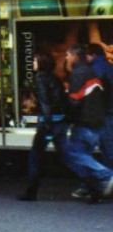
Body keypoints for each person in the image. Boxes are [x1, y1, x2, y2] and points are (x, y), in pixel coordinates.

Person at [59, 44, 113, 202]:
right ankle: (93, 188)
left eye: (68, 55)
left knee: (75, 152)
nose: (66, 58)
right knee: (87, 153)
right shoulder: (97, 70)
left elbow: (75, 100)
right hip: (99, 118)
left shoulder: (83, 72)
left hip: (89, 119)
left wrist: (67, 117)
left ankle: (106, 176)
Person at [18, 52, 68, 201]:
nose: (32, 63)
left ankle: (31, 191)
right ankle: (93, 185)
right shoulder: (54, 78)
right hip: (60, 120)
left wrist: (46, 123)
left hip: (49, 122)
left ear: (41, 63)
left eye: (35, 61)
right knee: (68, 156)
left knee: (35, 156)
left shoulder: (40, 79)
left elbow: (45, 102)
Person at [84, 42, 113, 169]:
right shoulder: (109, 66)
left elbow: (94, 92)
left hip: (106, 112)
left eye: (86, 56)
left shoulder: (96, 68)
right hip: (110, 111)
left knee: (107, 146)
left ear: (93, 55)